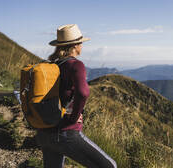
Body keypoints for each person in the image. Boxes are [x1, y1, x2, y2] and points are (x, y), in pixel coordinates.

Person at [35, 24, 117, 168]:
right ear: (75, 45)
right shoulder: (75, 65)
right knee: (110, 166)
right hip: (66, 133)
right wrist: (73, 118)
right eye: (80, 43)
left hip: (44, 132)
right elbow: (83, 92)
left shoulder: (52, 65)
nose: (81, 46)